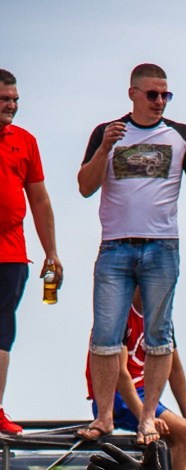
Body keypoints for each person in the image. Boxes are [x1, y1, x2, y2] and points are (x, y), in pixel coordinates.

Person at [78, 63, 186, 446]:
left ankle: (147, 418)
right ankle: (104, 417)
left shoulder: (179, 135)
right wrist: (105, 148)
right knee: (105, 333)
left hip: (161, 245)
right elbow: (85, 186)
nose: (159, 101)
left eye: (165, 95)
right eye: (152, 94)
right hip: (115, 244)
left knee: (160, 334)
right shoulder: (108, 132)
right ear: (133, 94)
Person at [85, 293, 186, 470]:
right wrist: (146, 418)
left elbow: (175, 370)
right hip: (118, 395)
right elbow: (120, 374)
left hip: (145, 396)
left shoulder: (161, 318)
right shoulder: (120, 314)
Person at [0, 68, 62, 435]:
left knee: (3, 331)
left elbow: (39, 199)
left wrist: (51, 252)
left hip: (11, 255)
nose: (11, 106)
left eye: (15, 100)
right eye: (4, 99)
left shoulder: (24, 141)